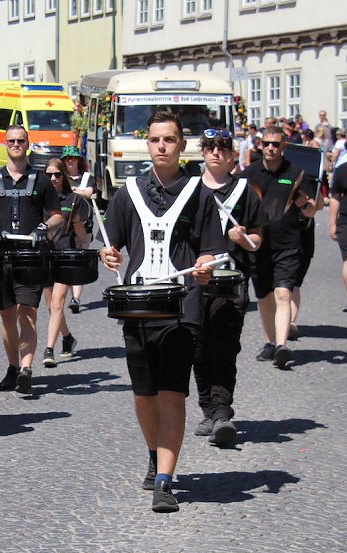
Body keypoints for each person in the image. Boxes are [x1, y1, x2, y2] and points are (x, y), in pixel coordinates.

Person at [99, 111, 225, 512]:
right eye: (155, 140)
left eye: (169, 140)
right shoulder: (127, 193)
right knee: (144, 393)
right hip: (137, 306)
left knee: (172, 392)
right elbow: (113, 243)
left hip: (181, 305)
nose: (162, 147)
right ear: (147, 144)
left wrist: (204, 265)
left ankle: (165, 480)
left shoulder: (199, 194)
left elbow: (210, 248)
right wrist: (108, 253)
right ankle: (155, 453)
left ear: (181, 146)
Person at [192, 128, 265, 448]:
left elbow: (257, 241)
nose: (216, 152)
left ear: (232, 154)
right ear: (202, 152)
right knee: (197, 348)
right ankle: (207, 408)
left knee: (224, 346)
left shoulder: (245, 191)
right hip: (196, 280)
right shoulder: (190, 190)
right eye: (209, 147)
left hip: (232, 281)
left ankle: (222, 412)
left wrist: (243, 239)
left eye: (222, 147)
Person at [0, 124, 63, 396]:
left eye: (20, 140)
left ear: (27, 144)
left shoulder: (41, 180)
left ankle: (27, 370)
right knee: (6, 317)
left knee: (27, 315)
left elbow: (57, 215)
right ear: (5, 144)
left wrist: (45, 227)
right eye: (11, 140)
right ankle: (13, 367)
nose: (16, 144)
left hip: (30, 257)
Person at [242, 126, 317, 368]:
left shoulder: (296, 173)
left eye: (275, 144)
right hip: (259, 244)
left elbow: (313, 209)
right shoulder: (250, 173)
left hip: (289, 244)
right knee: (264, 297)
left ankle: (282, 345)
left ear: (283, 147)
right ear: (260, 145)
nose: (270, 148)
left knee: (283, 293)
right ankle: (270, 342)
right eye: (266, 144)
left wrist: (305, 204)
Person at [40, 156, 88, 368]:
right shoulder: (39, 199)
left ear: (64, 176)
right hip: (45, 256)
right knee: (51, 306)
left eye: (57, 174)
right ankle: (68, 338)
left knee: (58, 303)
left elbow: (80, 235)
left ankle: (49, 349)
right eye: (49, 174)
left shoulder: (72, 199)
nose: (53, 178)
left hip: (66, 255)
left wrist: (77, 220)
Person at [60, 145, 96, 313]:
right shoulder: (60, 177)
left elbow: (89, 193)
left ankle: (75, 298)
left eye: (73, 158)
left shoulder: (86, 177)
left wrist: (74, 190)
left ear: (78, 160)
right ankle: (64, 293)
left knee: (80, 260)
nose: (70, 161)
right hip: (65, 225)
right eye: (66, 159)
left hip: (83, 223)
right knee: (68, 260)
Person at [329, 153, 347, 312]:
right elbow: (335, 197)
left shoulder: (342, 168)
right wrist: (332, 224)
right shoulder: (344, 169)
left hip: (346, 221)